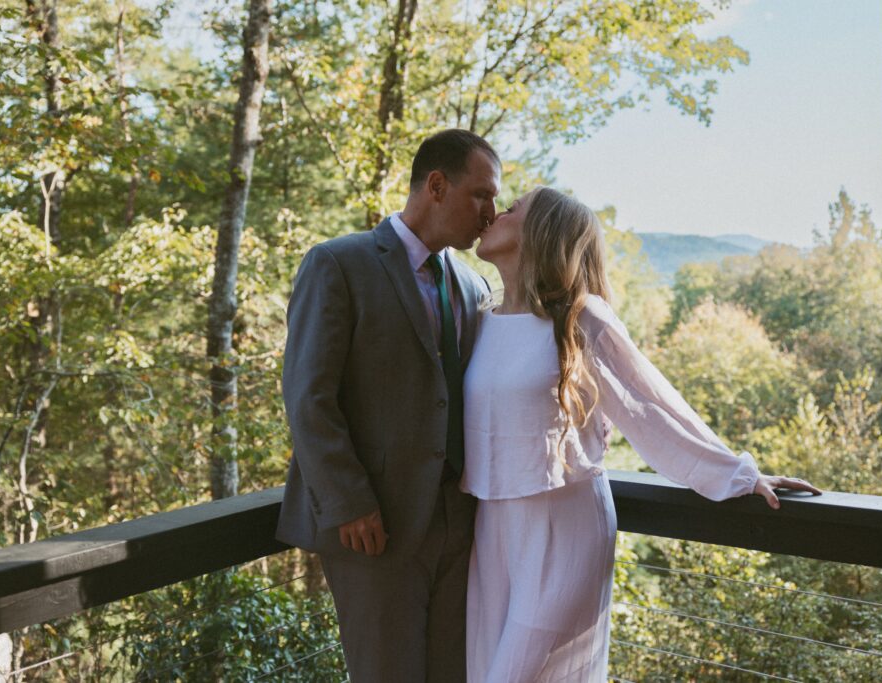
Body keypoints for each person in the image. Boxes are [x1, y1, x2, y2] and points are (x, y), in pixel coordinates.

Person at [462, 187, 821, 682]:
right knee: (483, 671)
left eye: (512, 208)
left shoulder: (581, 318)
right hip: (493, 526)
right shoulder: (480, 321)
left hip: (563, 527)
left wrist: (737, 473)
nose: (495, 213)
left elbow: (653, 408)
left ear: (541, 232)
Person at [276, 129, 500, 682]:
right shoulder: (337, 264)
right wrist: (349, 500)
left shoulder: (472, 287)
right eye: (481, 195)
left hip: (460, 525)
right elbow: (308, 396)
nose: (491, 213)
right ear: (437, 185)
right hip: (373, 528)